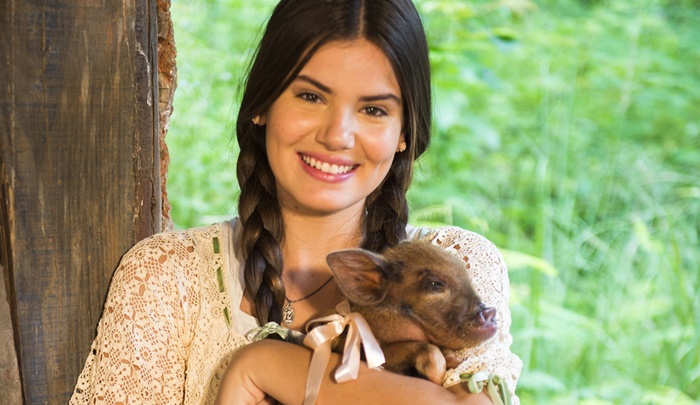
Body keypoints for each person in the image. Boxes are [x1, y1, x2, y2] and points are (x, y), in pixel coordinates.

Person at [70, 0, 522, 404]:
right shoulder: (168, 281)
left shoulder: (455, 264)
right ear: (262, 105)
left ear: (405, 133)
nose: (336, 135)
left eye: (374, 110)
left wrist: (262, 366)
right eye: (310, 96)